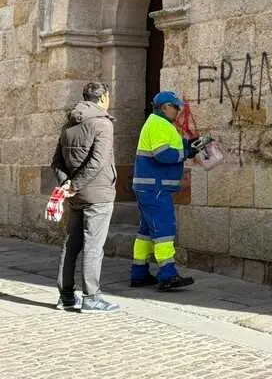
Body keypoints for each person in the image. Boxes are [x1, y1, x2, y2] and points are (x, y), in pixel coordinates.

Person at [52, 81, 120, 313]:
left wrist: (67, 184)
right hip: (98, 193)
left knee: (71, 244)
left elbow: (56, 162)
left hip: (76, 194)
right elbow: (98, 162)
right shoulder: (102, 123)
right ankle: (92, 297)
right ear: (103, 98)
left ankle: (66, 295)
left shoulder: (69, 124)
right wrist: (75, 184)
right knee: (93, 245)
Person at [130, 91, 198, 291]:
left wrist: (188, 145)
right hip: (155, 187)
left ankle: (139, 272)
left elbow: (170, 146)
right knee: (164, 229)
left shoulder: (158, 124)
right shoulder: (159, 124)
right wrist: (186, 152)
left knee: (146, 231)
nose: (178, 111)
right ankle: (168, 274)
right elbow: (163, 154)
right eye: (176, 107)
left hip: (148, 186)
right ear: (165, 107)